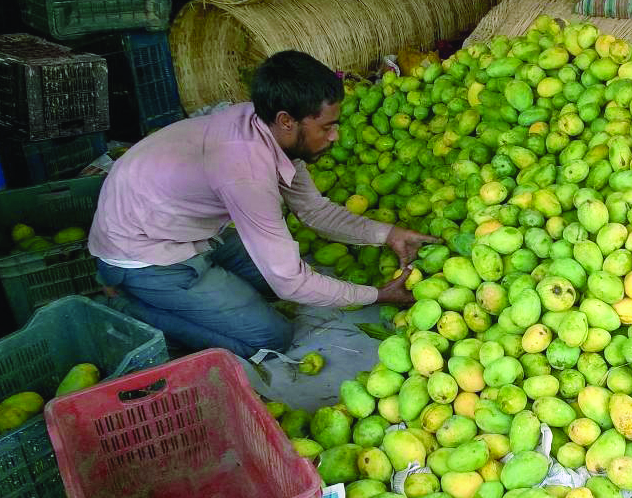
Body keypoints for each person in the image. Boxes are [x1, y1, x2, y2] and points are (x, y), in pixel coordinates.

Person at [88, 50, 435, 358]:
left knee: (295, 285)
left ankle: (191, 289)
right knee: (270, 337)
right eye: (327, 127)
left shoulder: (269, 128)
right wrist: (376, 295)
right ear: (287, 120)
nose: (335, 136)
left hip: (185, 228)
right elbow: (290, 282)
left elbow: (314, 211)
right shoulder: (245, 173)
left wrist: (389, 234)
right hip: (145, 253)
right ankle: (125, 304)